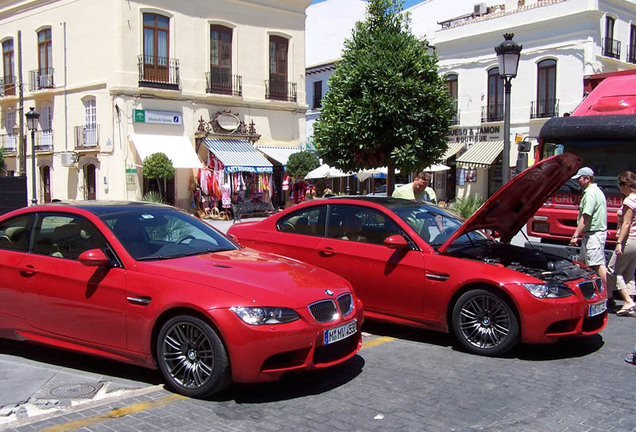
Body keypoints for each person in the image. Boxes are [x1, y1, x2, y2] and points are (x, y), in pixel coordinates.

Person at [569, 167, 608, 299]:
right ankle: (586, 293)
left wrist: (575, 235)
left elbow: (585, 217)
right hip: (590, 235)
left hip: (594, 234)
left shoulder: (591, 194)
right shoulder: (595, 191)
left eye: (579, 179)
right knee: (582, 263)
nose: (578, 182)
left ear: (587, 178)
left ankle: (607, 295)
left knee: (598, 264)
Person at [607, 171, 636, 315]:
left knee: (612, 270)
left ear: (626, 185)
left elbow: (626, 224)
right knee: (629, 273)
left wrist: (619, 242)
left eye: (620, 184)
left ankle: (628, 301)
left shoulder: (628, 201)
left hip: (628, 240)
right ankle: (629, 304)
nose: (619, 188)